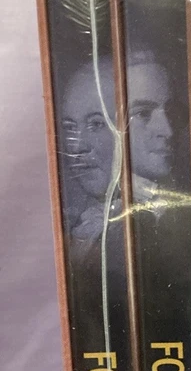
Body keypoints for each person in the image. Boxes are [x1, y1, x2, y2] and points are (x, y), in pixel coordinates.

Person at [60, 50, 177, 240]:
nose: (77, 148)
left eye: (97, 124)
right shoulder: (84, 222)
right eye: (70, 128)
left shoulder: (159, 211)